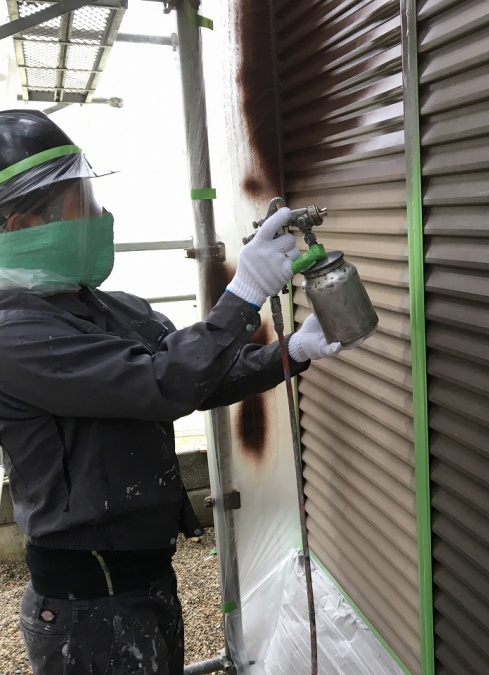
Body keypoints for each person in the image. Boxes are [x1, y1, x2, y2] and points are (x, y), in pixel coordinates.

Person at [0, 109, 350, 674]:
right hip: (86, 602)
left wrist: (290, 352)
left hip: (143, 581)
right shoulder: (12, 335)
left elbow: (194, 377)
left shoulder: (102, 306)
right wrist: (246, 292)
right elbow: (158, 384)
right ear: (21, 228)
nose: (102, 215)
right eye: (82, 205)